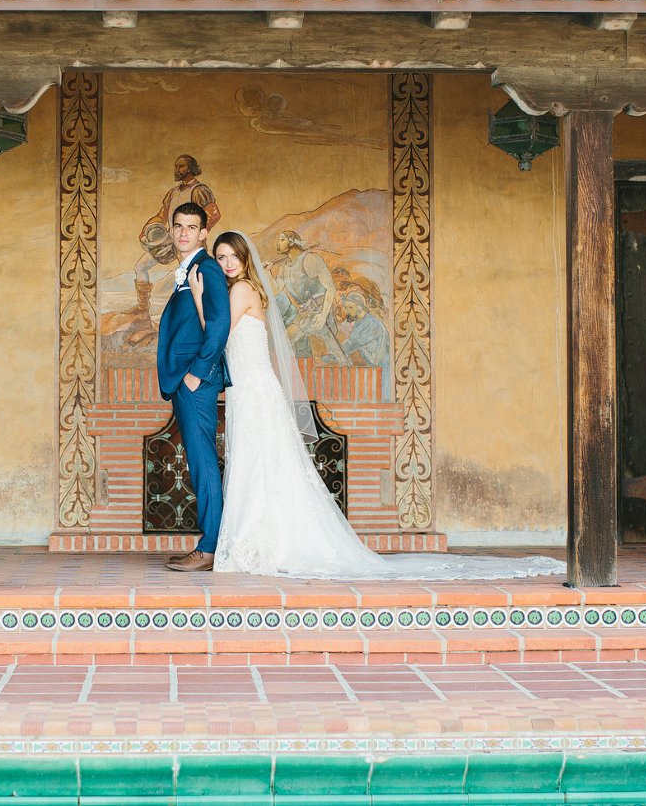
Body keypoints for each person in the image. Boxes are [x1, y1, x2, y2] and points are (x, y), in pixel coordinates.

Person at [187, 230, 566, 580]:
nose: (227, 263)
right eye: (220, 257)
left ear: (245, 259)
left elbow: (214, 335)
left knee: (257, 462)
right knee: (260, 463)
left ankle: (261, 543)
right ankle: (262, 539)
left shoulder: (240, 292)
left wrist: (198, 294)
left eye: (233, 256)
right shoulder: (243, 291)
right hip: (248, 391)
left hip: (254, 390)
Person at [156, 203, 231, 573]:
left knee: (202, 463)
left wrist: (196, 373)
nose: (184, 232)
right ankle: (209, 544)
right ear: (171, 231)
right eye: (179, 226)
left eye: (192, 227)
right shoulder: (187, 270)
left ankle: (209, 548)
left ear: (204, 233)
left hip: (195, 380)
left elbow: (219, 324)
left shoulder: (206, 268)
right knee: (200, 461)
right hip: (187, 378)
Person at [122, 156, 221, 348]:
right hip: (170, 241)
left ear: (191, 168)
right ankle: (144, 315)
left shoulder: (199, 190)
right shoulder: (173, 192)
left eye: (181, 165)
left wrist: (196, 235)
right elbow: (162, 215)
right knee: (140, 265)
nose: (178, 168)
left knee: (190, 281)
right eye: (176, 165)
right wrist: (149, 227)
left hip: (190, 246)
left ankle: (194, 324)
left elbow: (213, 214)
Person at [272, 231, 348, 364]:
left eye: (281, 240)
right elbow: (275, 290)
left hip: (318, 311)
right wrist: (267, 272)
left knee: (336, 350)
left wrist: (323, 315)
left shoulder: (310, 259)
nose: (278, 244)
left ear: (291, 242)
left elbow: (330, 288)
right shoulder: (284, 268)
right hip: (304, 314)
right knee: (332, 350)